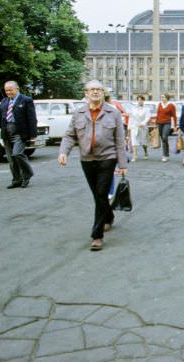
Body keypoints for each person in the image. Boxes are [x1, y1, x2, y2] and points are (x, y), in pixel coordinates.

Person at [58, 80, 128, 251]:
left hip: (107, 158)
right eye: (92, 90)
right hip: (87, 159)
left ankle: (97, 236)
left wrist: (123, 162)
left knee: (101, 193)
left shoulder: (113, 113)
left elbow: (120, 140)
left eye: (99, 89)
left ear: (103, 93)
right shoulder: (78, 113)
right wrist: (63, 152)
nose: (95, 92)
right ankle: (109, 216)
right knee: (99, 196)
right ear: (86, 93)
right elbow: (69, 136)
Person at [0, 80, 37, 189]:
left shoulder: (26, 100)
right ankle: (16, 180)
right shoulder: (4, 101)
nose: (8, 92)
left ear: (17, 89)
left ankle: (27, 175)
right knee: (11, 159)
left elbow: (32, 118)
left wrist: (33, 134)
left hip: (20, 134)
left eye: (10, 90)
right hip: (6, 133)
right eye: (6, 90)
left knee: (17, 154)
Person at [128, 95, 151, 161]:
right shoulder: (133, 108)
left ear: (143, 101)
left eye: (141, 100)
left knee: (144, 142)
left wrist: (143, 123)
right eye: (138, 100)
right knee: (134, 142)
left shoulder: (146, 109)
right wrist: (129, 127)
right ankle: (134, 156)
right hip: (134, 127)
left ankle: (146, 152)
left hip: (142, 127)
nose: (140, 101)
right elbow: (131, 118)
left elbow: (147, 117)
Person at [156, 93, 178, 162]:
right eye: (161, 97)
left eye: (163, 97)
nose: (162, 99)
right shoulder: (159, 104)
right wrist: (156, 124)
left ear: (167, 98)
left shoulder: (171, 105)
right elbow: (158, 114)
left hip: (167, 123)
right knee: (163, 139)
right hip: (159, 123)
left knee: (165, 137)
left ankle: (164, 155)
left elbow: (174, 116)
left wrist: (175, 125)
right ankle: (166, 153)